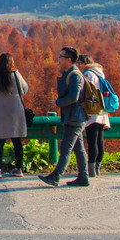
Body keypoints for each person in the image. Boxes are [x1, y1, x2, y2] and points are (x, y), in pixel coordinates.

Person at [38, 46, 90, 188]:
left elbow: (74, 96)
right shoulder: (69, 74)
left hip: (75, 118)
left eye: (61, 56)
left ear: (69, 59)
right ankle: (83, 177)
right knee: (78, 148)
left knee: (66, 148)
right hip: (73, 116)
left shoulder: (75, 75)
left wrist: (58, 103)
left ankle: (55, 177)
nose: (59, 59)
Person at [0, 52, 28, 178]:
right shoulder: (15, 75)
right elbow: (25, 89)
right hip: (15, 112)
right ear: (12, 63)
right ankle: (18, 169)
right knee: (17, 141)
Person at [78, 53, 110, 177]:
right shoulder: (99, 73)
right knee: (99, 141)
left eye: (80, 63)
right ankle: (97, 168)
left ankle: (91, 169)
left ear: (86, 63)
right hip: (102, 110)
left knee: (92, 141)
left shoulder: (88, 74)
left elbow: (84, 91)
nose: (78, 65)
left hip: (93, 110)